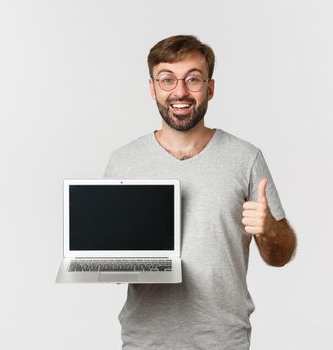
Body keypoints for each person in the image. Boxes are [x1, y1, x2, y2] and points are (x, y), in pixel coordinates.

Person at [103, 34, 297, 350]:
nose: (180, 91)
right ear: (152, 88)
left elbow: (281, 255)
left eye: (193, 79)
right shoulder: (124, 161)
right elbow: (113, 267)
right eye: (167, 79)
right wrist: (108, 253)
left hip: (223, 341)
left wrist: (270, 230)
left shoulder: (246, 158)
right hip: (146, 342)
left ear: (210, 88)